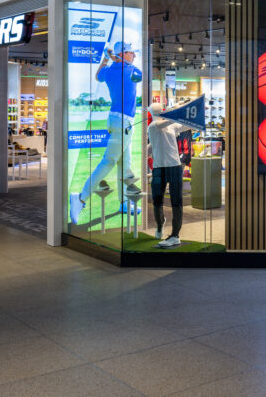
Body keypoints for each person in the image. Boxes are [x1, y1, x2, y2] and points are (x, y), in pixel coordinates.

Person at [69, 41, 143, 224]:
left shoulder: (109, 71)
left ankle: (124, 202)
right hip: (123, 122)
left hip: (117, 120)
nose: (134, 56)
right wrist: (112, 55)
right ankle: (80, 198)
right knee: (109, 161)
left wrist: (106, 58)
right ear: (123, 54)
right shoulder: (131, 71)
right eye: (131, 53)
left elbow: (98, 76)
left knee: (125, 163)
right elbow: (139, 75)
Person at [147, 102, 191, 247]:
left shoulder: (171, 126)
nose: (158, 112)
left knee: (176, 201)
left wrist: (188, 113)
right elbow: (164, 124)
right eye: (157, 111)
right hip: (159, 167)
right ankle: (160, 224)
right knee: (157, 200)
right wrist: (175, 112)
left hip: (174, 166)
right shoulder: (153, 126)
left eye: (159, 110)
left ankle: (175, 235)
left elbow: (187, 125)